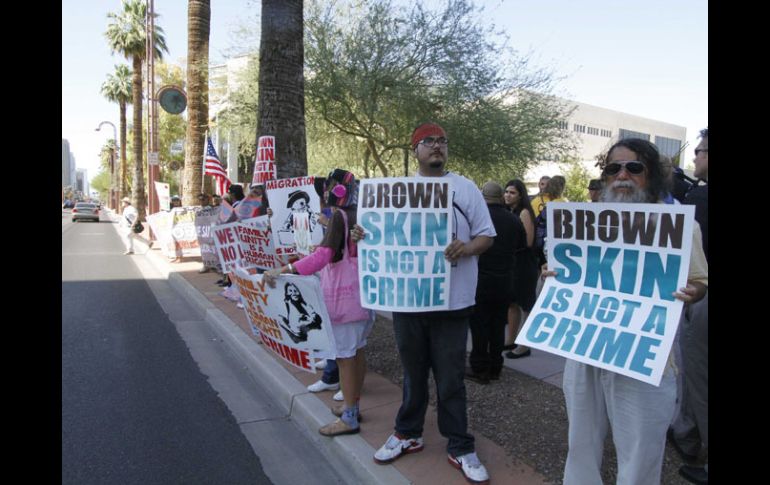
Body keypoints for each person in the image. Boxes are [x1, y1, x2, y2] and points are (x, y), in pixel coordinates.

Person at [553, 138, 708, 485]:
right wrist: (552, 275)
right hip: (585, 349)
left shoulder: (681, 227)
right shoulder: (583, 225)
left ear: (650, 174)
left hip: (643, 356)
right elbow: (564, 274)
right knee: (580, 445)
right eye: (613, 168)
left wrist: (691, 291)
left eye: (633, 167)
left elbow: (700, 282)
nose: (622, 175)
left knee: (640, 454)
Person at [357, 123, 495, 484]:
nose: (436, 146)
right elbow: (379, 236)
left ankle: (460, 445)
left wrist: (466, 248)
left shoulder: (464, 188)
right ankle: (408, 432)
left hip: (452, 303)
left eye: (442, 141)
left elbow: (486, 236)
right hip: (408, 301)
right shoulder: (396, 191)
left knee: (450, 378)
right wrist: (361, 233)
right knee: (413, 374)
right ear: (414, 150)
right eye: (428, 141)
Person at [264, 168, 373, 437]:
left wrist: (286, 269)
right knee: (357, 353)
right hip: (363, 297)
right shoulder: (357, 214)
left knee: (345, 358)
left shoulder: (338, 217)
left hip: (343, 300)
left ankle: (349, 416)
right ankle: (353, 406)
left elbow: (323, 257)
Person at [669, 128, 708, 485]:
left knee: (698, 379)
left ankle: (693, 444)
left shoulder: (698, 201)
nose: (695, 158)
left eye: (700, 152)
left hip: (702, 300)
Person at [466, 181, 525, 384]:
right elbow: (522, 246)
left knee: (480, 325)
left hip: (480, 279)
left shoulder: (476, 219)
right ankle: (495, 366)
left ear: (482, 198)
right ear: (501, 197)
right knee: (498, 324)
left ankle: (480, 367)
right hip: (505, 279)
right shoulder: (514, 220)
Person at [502, 179, 539, 359]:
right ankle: (511, 340)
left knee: (526, 305)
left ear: (520, 195)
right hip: (513, 263)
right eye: (506, 192)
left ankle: (524, 345)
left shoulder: (524, 212)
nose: (508, 195)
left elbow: (528, 241)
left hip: (524, 264)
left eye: (512, 192)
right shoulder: (509, 211)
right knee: (512, 303)